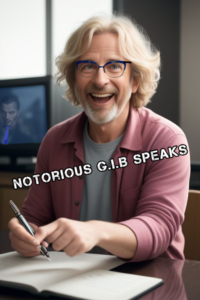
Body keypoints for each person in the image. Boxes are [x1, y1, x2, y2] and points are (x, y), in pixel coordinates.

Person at [8, 13, 190, 262]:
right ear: (74, 81)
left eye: (115, 66)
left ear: (134, 80)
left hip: (150, 282)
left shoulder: (167, 140)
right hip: (68, 280)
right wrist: (24, 234)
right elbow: (33, 217)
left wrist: (96, 231)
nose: (100, 80)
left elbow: (159, 227)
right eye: (87, 67)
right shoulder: (54, 140)